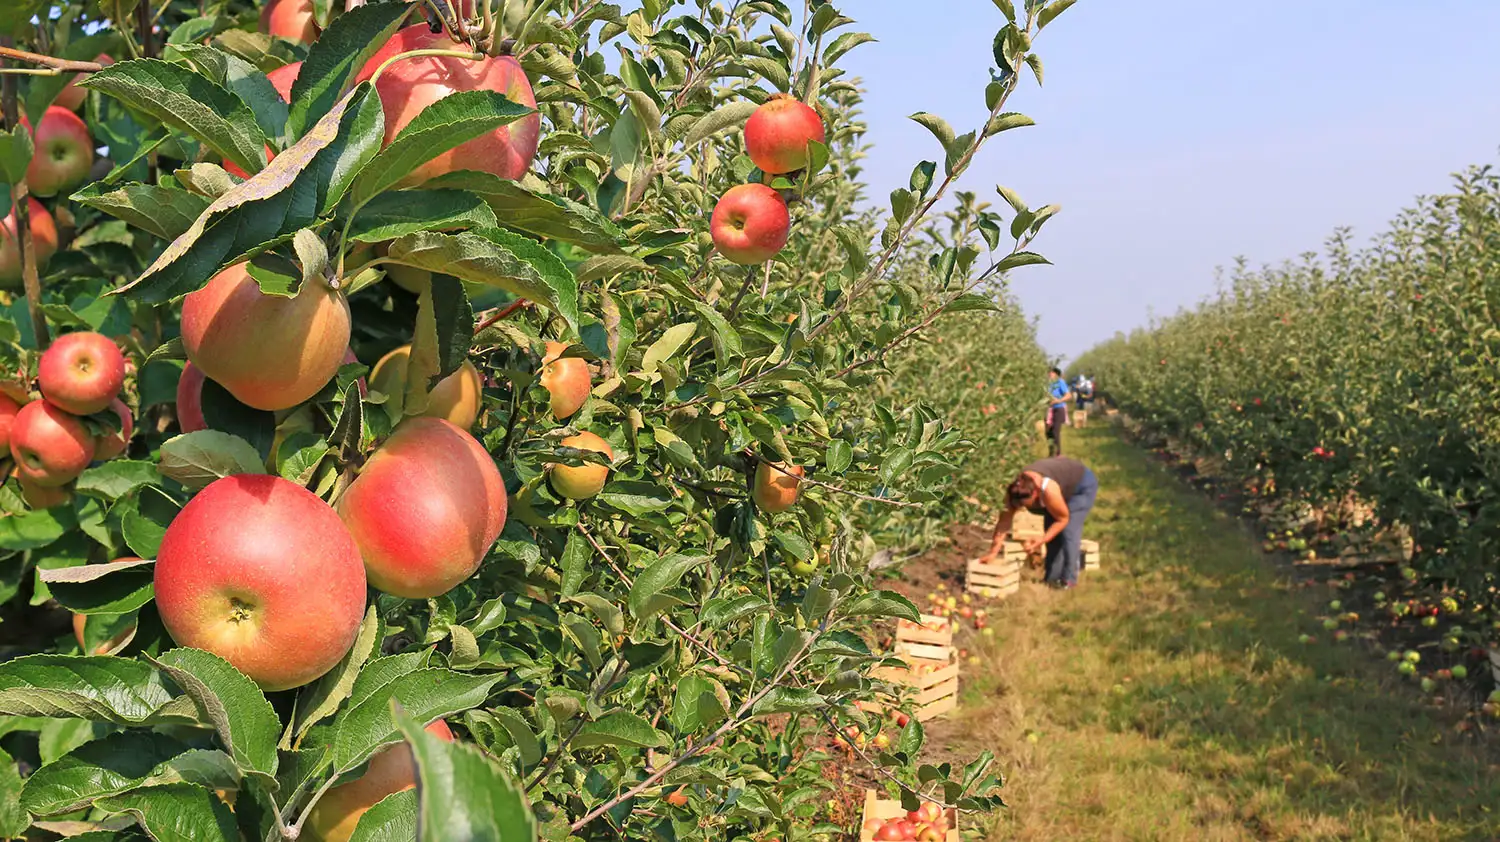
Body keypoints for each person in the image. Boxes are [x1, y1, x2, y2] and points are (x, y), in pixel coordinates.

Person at [981, 455, 1099, 588]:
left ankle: (1069, 580)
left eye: (1027, 504)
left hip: (1081, 486)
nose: (1024, 507)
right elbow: (1003, 524)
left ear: (1036, 493)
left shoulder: (1049, 490)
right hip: (1061, 485)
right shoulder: (1015, 491)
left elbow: (1062, 519)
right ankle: (1051, 579)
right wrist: (993, 552)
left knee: (1069, 531)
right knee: (1051, 531)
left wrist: (1041, 540)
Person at [1045, 368, 1070, 456]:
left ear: (1056, 374)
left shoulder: (1060, 382)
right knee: (1048, 432)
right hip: (1049, 410)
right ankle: (1051, 452)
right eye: (1049, 372)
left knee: (1055, 432)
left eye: (1051, 372)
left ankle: (1057, 454)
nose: (1049, 374)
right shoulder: (1047, 384)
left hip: (1059, 409)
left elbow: (1068, 395)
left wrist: (1058, 400)